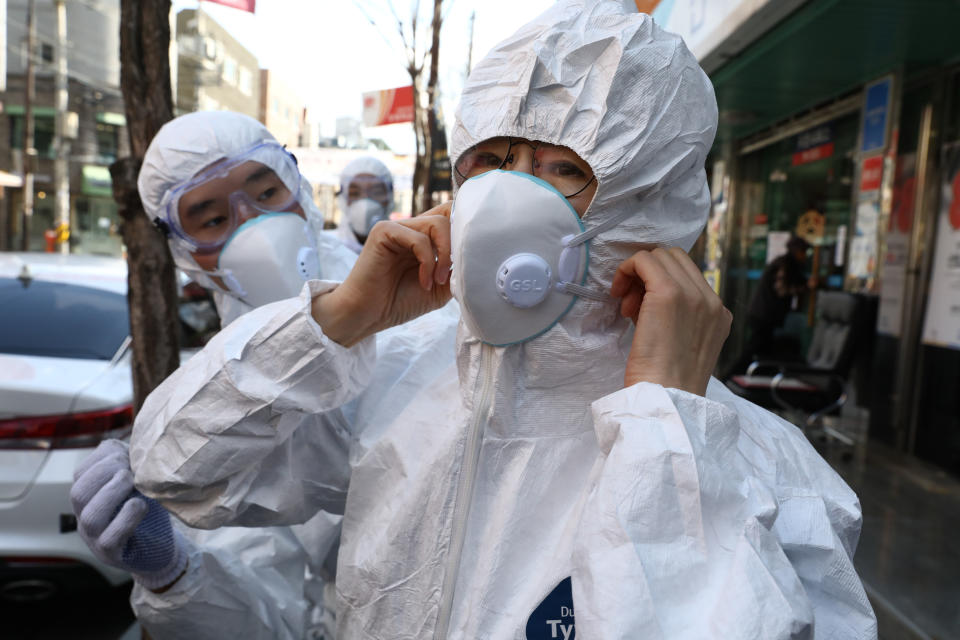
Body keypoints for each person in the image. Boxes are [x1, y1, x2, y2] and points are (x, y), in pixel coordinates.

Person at [130, 2, 877, 638]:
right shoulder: (401, 374)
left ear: (652, 197)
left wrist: (667, 435)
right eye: (491, 160)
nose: (510, 196)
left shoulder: (765, 475)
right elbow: (176, 469)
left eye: (563, 168)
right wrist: (336, 319)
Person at [70, 111, 459, 639]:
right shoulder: (226, 410)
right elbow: (269, 618)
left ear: (297, 187)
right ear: (184, 251)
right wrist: (172, 577)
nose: (252, 222)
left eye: (267, 190)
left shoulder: (422, 296)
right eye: (211, 219)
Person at [727, 234, 813, 378]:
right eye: (803, 252)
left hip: (764, 315)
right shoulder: (785, 264)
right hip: (764, 316)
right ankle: (731, 376)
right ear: (796, 250)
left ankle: (752, 378)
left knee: (763, 350)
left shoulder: (787, 264)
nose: (804, 256)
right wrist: (805, 287)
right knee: (753, 349)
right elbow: (782, 289)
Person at [335, 156, 393, 252]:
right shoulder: (324, 250)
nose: (365, 204)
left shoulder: (403, 253)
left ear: (389, 199)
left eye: (376, 192)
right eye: (355, 193)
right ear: (343, 200)